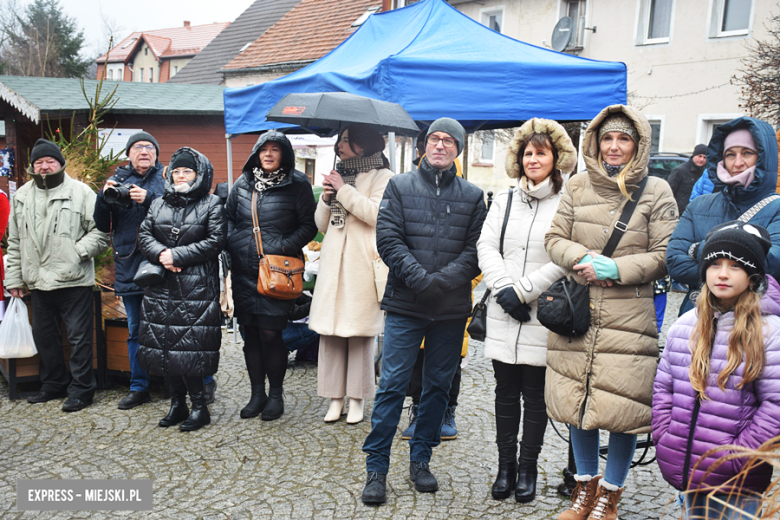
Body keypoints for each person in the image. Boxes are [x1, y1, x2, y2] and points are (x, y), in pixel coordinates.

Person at [544, 106, 678, 520]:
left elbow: (665, 255)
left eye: (623, 139)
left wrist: (617, 268)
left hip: (630, 315)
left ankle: (610, 496)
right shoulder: (577, 185)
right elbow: (553, 238)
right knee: (579, 404)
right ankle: (584, 491)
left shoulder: (656, 190)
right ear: (596, 143)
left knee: (623, 409)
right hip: (579, 311)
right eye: (607, 138)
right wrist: (583, 258)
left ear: (637, 145)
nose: (614, 146)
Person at [361, 117, 487, 504]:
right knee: (392, 385)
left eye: (449, 141)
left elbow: (475, 251)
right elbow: (388, 239)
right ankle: (376, 468)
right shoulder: (399, 186)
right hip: (406, 304)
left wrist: (443, 282)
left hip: (449, 311)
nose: (440, 145)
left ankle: (421, 459)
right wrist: (420, 279)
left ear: (457, 149)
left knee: (436, 388)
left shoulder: (473, 195)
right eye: (434, 138)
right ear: (423, 145)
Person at [653, 221, 780, 519]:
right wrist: (664, 435)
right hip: (685, 468)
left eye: (735, 266)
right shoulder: (685, 325)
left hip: (737, 480)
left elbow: (775, 404)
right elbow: (663, 387)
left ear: (752, 276)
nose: (722, 274)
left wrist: (736, 457)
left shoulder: (769, 333)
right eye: (715, 264)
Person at [478, 118, 575, 503]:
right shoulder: (503, 200)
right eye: (528, 153)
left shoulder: (567, 201)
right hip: (505, 310)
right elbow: (486, 246)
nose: (534, 159)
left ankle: (528, 468)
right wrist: (504, 290)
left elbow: (565, 255)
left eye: (542, 153)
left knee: (535, 396)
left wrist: (523, 291)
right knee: (505, 392)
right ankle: (505, 466)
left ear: (556, 158)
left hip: (543, 311)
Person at [5, 139, 109, 412]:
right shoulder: (22, 196)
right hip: (38, 282)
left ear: (60, 163)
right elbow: (14, 241)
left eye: (50, 161)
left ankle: (82, 390)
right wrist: (14, 279)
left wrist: (77, 252)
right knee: (44, 336)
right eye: (39, 162)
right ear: (32, 167)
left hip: (73, 279)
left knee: (79, 337)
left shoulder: (81, 192)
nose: (44, 166)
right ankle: (53, 384)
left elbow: (101, 232)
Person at [226, 131, 317, 421]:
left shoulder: (298, 184)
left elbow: (309, 225)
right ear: (256, 152)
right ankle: (257, 394)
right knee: (250, 335)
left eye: (275, 149)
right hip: (243, 273)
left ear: (284, 155)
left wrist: (282, 247)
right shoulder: (243, 183)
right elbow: (228, 218)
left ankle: (275, 394)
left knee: (270, 334)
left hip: (277, 272)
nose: (268, 154)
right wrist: (234, 245)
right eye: (264, 149)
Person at [308, 123, 394, 425]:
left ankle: (357, 399)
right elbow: (321, 225)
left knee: (358, 335)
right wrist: (328, 197)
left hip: (361, 266)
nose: (340, 145)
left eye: (347, 140)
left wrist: (344, 191)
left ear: (365, 143)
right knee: (330, 334)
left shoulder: (384, 177)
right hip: (333, 265)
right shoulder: (338, 176)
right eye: (340, 140)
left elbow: (377, 215)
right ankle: (334, 398)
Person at [136, 147, 226, 431]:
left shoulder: (211, 203)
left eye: (188, 171)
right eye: (177, 171)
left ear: (199, 174)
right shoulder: (159, 203)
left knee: (191, 348)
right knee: (165, 346)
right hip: (161, 285)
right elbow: (144, 234)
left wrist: (178, 256)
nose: (181, 175)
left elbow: (215, 241)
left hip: (195, 287)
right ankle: (177, 404)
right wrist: (163, 253)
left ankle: (200, 407)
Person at [667, 117, 780, 317]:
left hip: (756, 322)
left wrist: (697, 250)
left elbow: (771, 264)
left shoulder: (776, 208)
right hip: (698, 318)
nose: (738, 163)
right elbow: (675, 263)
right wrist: (741, 265)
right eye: (730, 154)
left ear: (763, 157)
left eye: (747, 153)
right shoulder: (699, 205)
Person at [93, 132, 167, 410]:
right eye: (138, 147)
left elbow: (178, 213)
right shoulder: (120, 180)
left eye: (150, 146)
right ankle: (139, 387)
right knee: (136, 329)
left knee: (171, 327)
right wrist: (103, 197)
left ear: (157, 153)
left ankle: (175, 381)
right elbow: (102, 224)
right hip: (129, 264)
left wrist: (149, 199)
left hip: (162, 264)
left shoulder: (167, 178)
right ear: (129, 154)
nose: (144, 151)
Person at [668, 144, 707, 216]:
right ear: (694, 156)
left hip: (697, 212)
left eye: (705, 157)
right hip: (680, 213)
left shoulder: (706, 173)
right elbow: (669, 192)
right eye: (699, 156)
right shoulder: (680, 171)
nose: (702, 159)